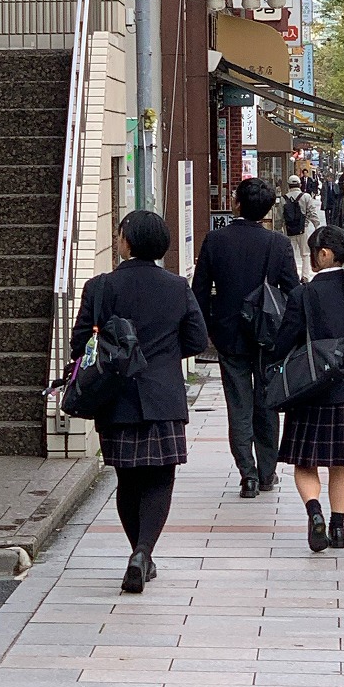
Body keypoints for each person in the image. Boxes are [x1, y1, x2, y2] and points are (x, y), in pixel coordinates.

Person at [70, 210, 208, 593]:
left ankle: (137, 552)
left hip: (116, 397)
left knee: (127, 479)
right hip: (163, 395)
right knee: (160, 478)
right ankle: (144, 552)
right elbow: (197, 340)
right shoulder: (177, 286)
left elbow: (80, 343)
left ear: (126, 240)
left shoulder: (100, 287)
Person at [192, 177, 300, 498]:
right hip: (268, 336)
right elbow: (293, 292)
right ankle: (267, 473)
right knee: (268, 402)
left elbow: (199, 292)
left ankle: (247, 474)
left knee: (238, 404)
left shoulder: (215, 240)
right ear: (268, 210)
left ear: (236, 203)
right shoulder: (278, 245)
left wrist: (210, 328)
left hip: (228, 335)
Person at [271, 225, 344, 552]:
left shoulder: (304, 295)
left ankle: (315, 513)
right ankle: (339, 527)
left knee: (305, 463)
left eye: (314, 252)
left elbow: (284, 341)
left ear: (325, 254)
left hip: (311, 389)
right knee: (340, 463)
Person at [281, 175, 323, 281]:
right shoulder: (306, 197)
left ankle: (293, 276)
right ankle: (305, 276)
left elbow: (279, 217)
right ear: (299, 184)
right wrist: (317, 225)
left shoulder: (283, 198)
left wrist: (278, 229)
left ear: (289, 185)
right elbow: (312, 213)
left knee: (291, 255)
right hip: (302, 229)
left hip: (288, 230)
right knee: (305, 254)